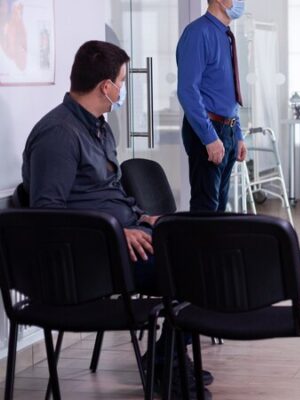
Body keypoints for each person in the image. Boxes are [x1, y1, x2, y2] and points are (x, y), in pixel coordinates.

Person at [21, 41, 213, 399]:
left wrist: (142, 217)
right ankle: (165, 363)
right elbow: (46, 216)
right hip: (96, 260)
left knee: (206, 248)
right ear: (106, 87)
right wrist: (114, 234)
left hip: (127, 240)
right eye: (121, 82)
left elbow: (110, 193)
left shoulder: (99, 128)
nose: (122, 90)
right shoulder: (58, 135)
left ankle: (165, 357)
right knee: (197, 268)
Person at [177, 0, 247, 212]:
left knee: (219, 208)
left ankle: (216, 246)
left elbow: (226, 91)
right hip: (208, 129)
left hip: (226, 129)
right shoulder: (198, 33)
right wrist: (209, 138)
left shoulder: (225, 35)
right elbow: (188, 90)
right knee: (205, 208)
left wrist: (238, 134)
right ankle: (198, 247)